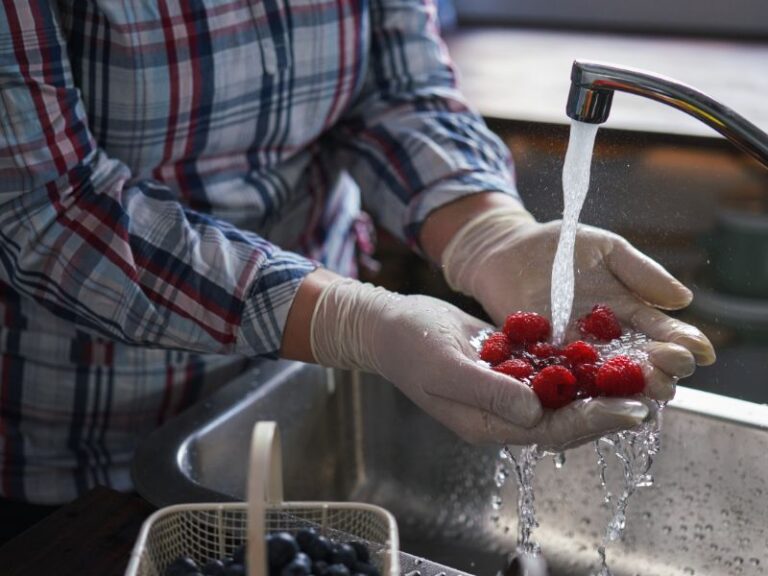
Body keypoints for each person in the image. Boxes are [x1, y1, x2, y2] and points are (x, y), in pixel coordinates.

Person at [0, 0, 713, 527]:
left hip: (301, 392)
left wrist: (487, 232)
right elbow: (45, 209)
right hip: (82, 448)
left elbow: (395, 93)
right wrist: (348, 318)